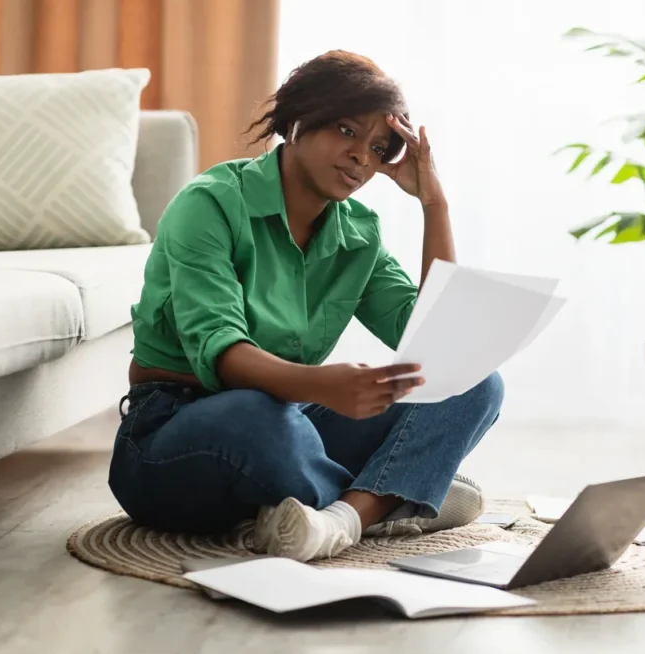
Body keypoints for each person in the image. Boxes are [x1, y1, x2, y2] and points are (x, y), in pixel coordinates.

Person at [108, 50, 504, 563]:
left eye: (380, 147)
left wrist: (434, 204)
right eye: (345, 131)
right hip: (172, 434)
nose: (362, 157)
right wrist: (327, 385)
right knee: (258, 414)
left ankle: (338, 520)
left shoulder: (358, 236)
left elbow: (437, 342)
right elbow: (223, 352)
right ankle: (392, 500)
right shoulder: (209, 205)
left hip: (290, 428)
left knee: (475, 379)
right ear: (297, 123)